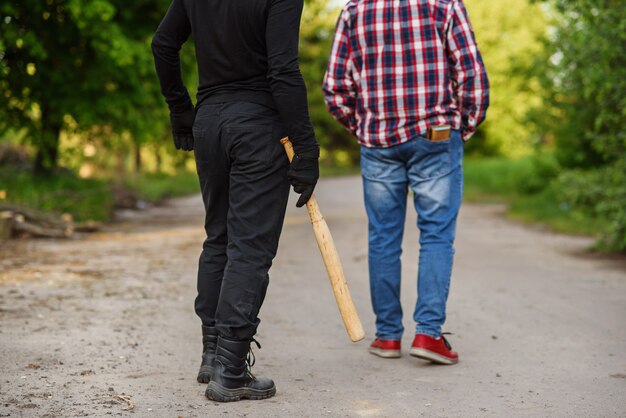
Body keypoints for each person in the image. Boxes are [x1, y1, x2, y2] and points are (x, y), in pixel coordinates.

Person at [151, 0, 320, 401]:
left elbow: (163, 44)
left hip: (211, 124)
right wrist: (307, 146)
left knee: (220, 238)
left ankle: (212, 355)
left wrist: (181, 111)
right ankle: (230, 370)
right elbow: (282, 70)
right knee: (250, 248)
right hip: (258, 127)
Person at [323, 0, 489, 365]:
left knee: (383, 236)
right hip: (435, 135)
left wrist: (365, 129)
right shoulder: (443, 5)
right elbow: (471, 73)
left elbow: (335, 87)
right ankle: (428, 335)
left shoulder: (354, 11)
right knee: (436, 234)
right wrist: (465, 127)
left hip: (378, 140)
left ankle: (387, 337)